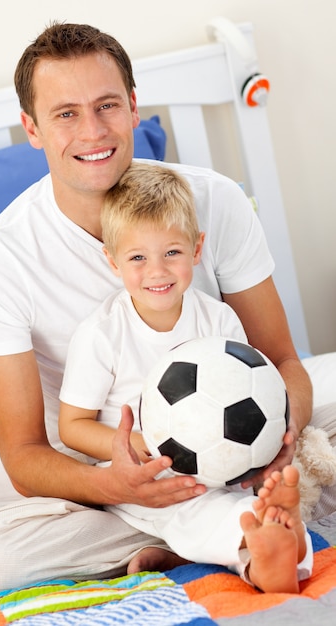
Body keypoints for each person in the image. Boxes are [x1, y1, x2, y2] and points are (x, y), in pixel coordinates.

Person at [0, 22, 331, 596]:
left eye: (107, 105)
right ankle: (200, 533)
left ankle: (225, 524)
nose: (93, 131)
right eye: (65, 114)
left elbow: (281, 361)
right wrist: (122, 485)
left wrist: (276, 435)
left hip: (236, 449)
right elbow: (25, 456)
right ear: (32, 128)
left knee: (318, 437)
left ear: (134, 106)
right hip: (101, 478)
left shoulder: (214, 202)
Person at [58, 161, 313, 593]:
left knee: (272, 480)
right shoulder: (101, 334)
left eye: (171, 253)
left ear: (196, 249)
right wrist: (141, 446)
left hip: (226, 463)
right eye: (138, 257)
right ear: (112, 260)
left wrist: (271, 440)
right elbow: (72, 426)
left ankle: (268, 529)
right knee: (199, 512)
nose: (157, 271)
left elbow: (260, 391)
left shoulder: (219, 320)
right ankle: (261, 548)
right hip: (144, 477)